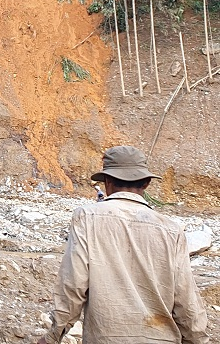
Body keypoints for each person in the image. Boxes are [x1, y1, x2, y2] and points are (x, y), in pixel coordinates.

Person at [38, 145, 208, 344]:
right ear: (146, 183)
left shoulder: (87, 217)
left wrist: (52, 336)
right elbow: (187, 302)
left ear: (107, 181)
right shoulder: (172, 230)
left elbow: (73, 286)